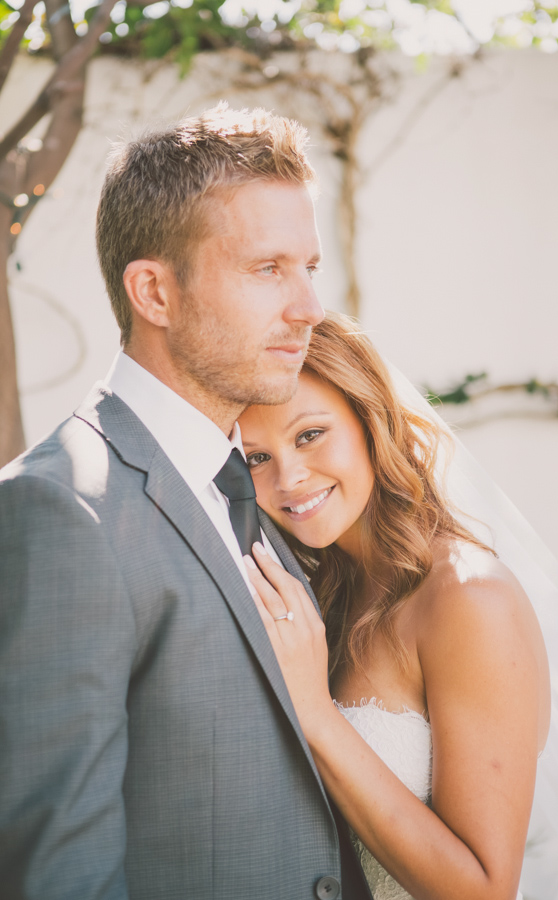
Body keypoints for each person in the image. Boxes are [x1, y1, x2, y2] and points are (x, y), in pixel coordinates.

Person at [0, 107, 373, 900]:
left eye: (309, 265)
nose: (308, 305)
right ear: (154, 292)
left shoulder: (257, 486)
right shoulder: (60, 509)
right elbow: (57, 874)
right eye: (268, 269)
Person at [238, 310, 552, 900]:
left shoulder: (468, 598)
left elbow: (485, 891)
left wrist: (315, 715)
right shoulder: (327, 593)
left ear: (369, 419)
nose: (289, 477)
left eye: (309, 435)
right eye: (256, 458)